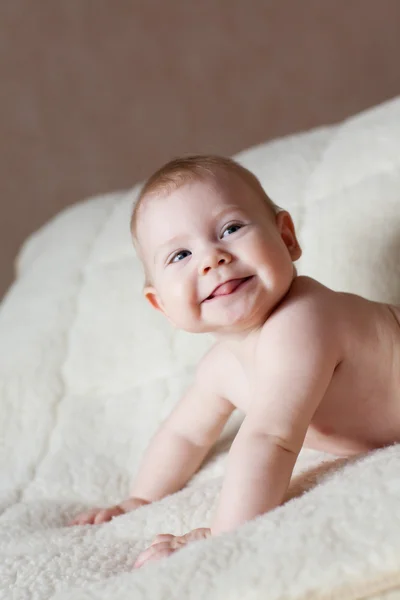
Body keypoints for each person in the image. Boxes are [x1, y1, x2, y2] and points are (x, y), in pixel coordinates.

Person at [69, 155, 400, 568]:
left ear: (286, 238)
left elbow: (270, 439)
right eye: (180, 255)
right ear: (162, 306)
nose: (212, 258)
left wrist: (223, 535)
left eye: (231, 228)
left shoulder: (304, 320)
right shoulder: (220, 368)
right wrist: (141, 499)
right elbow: (185, 435)